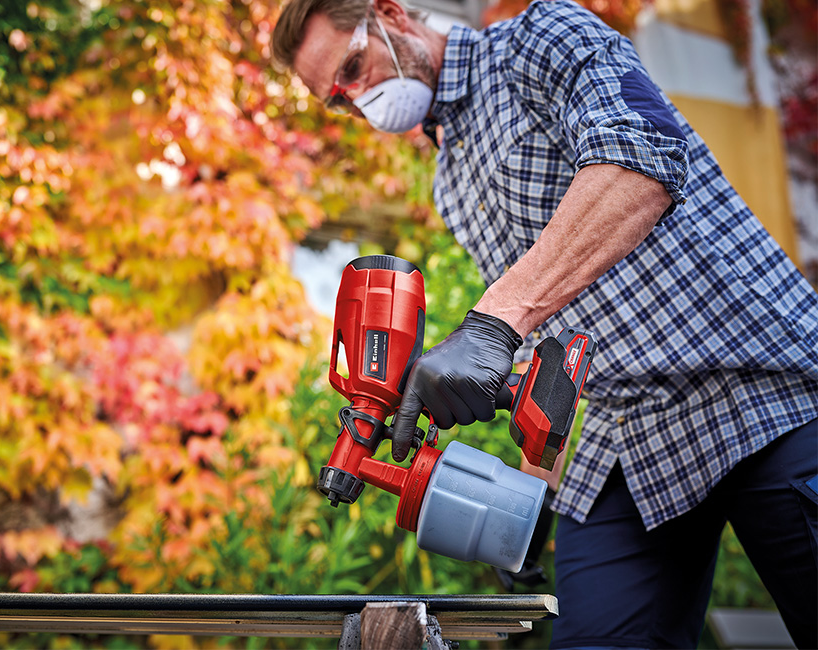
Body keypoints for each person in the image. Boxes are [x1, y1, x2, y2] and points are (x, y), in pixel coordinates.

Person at [271, 0, 818, 647]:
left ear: (391, 13)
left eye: (355, 68)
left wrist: (492, 323)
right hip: (628, 436)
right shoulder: (450, 175)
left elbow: (641, 162)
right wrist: (526, 506)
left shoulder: (540, 38)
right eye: (340, 99)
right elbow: (546, 338)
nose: (360, 100)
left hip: (758, 389)